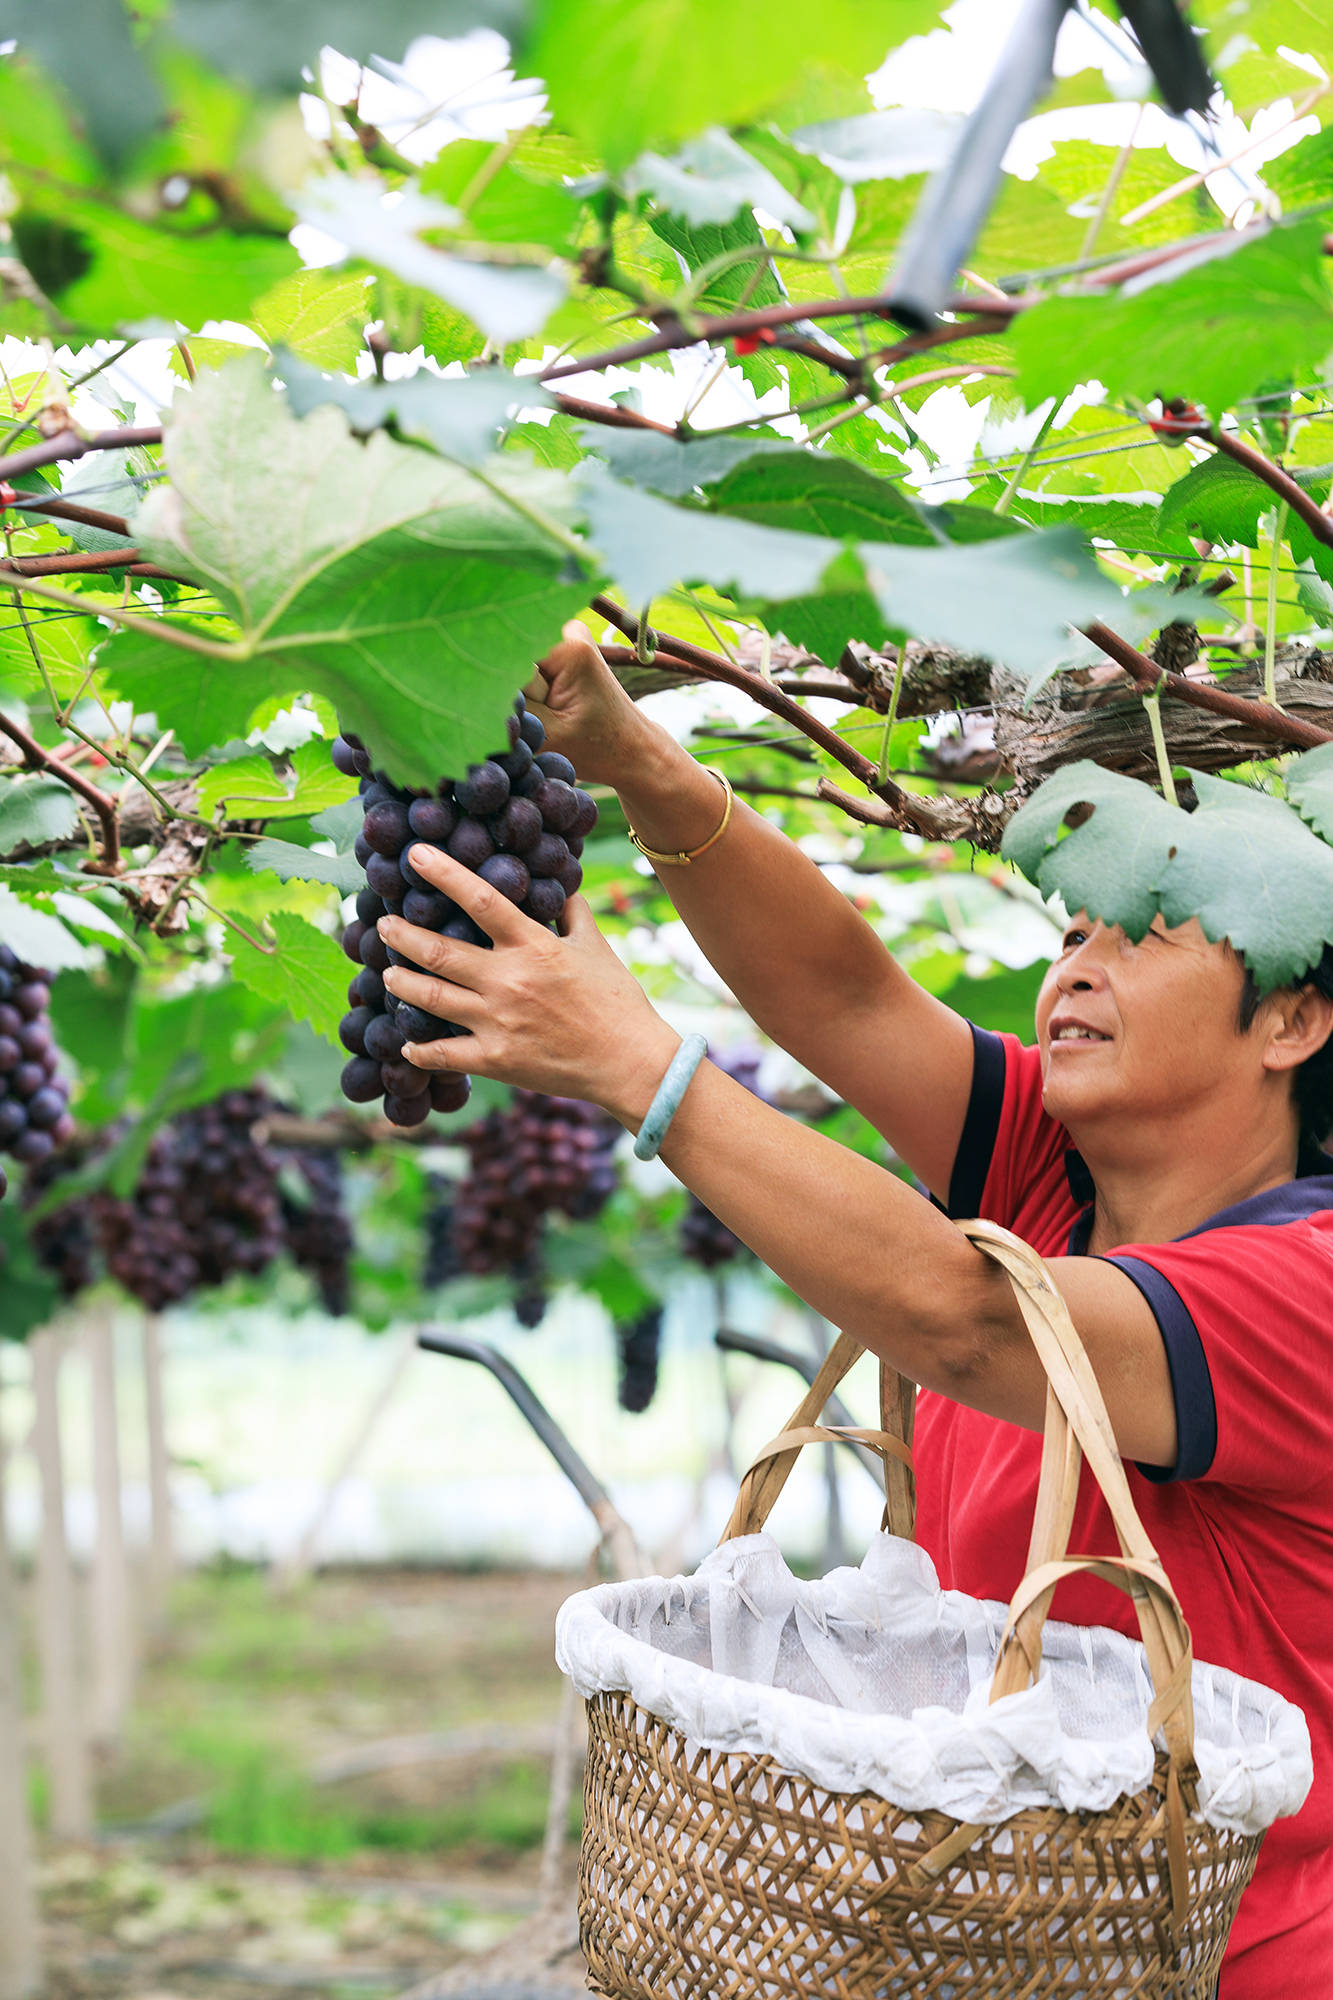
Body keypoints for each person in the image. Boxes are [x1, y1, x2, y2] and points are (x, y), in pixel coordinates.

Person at [380, 620, 1333, 1997]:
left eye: (1135, 936)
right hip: (990, 1948)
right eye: (1069, 929)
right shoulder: (1051, 1173)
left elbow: (970, 1323)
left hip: (1223, 1969)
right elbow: (839, 991)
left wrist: (639, 1068)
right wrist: (626, 750)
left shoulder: (1303, 1285)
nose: (1073, 966)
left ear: (1291, 1024)